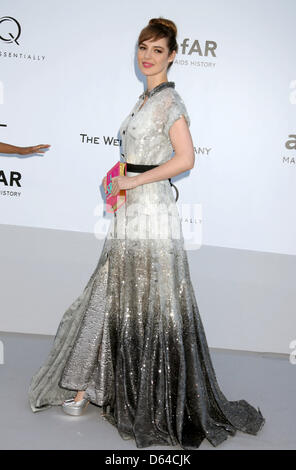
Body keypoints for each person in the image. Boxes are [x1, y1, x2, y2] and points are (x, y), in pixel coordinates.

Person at [28, 17, 265, 449]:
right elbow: (139, 155)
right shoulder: (142, 100)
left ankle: (113, 392)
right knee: (116, 291)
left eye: (158, 50)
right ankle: (92, 386)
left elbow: (186, 159)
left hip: (152, 211)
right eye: (143, 47)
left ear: (172, 56)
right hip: (132, 207)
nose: (148, 55)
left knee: (143, 297)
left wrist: (134, 182)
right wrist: (119, 176)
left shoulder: (170, 102)